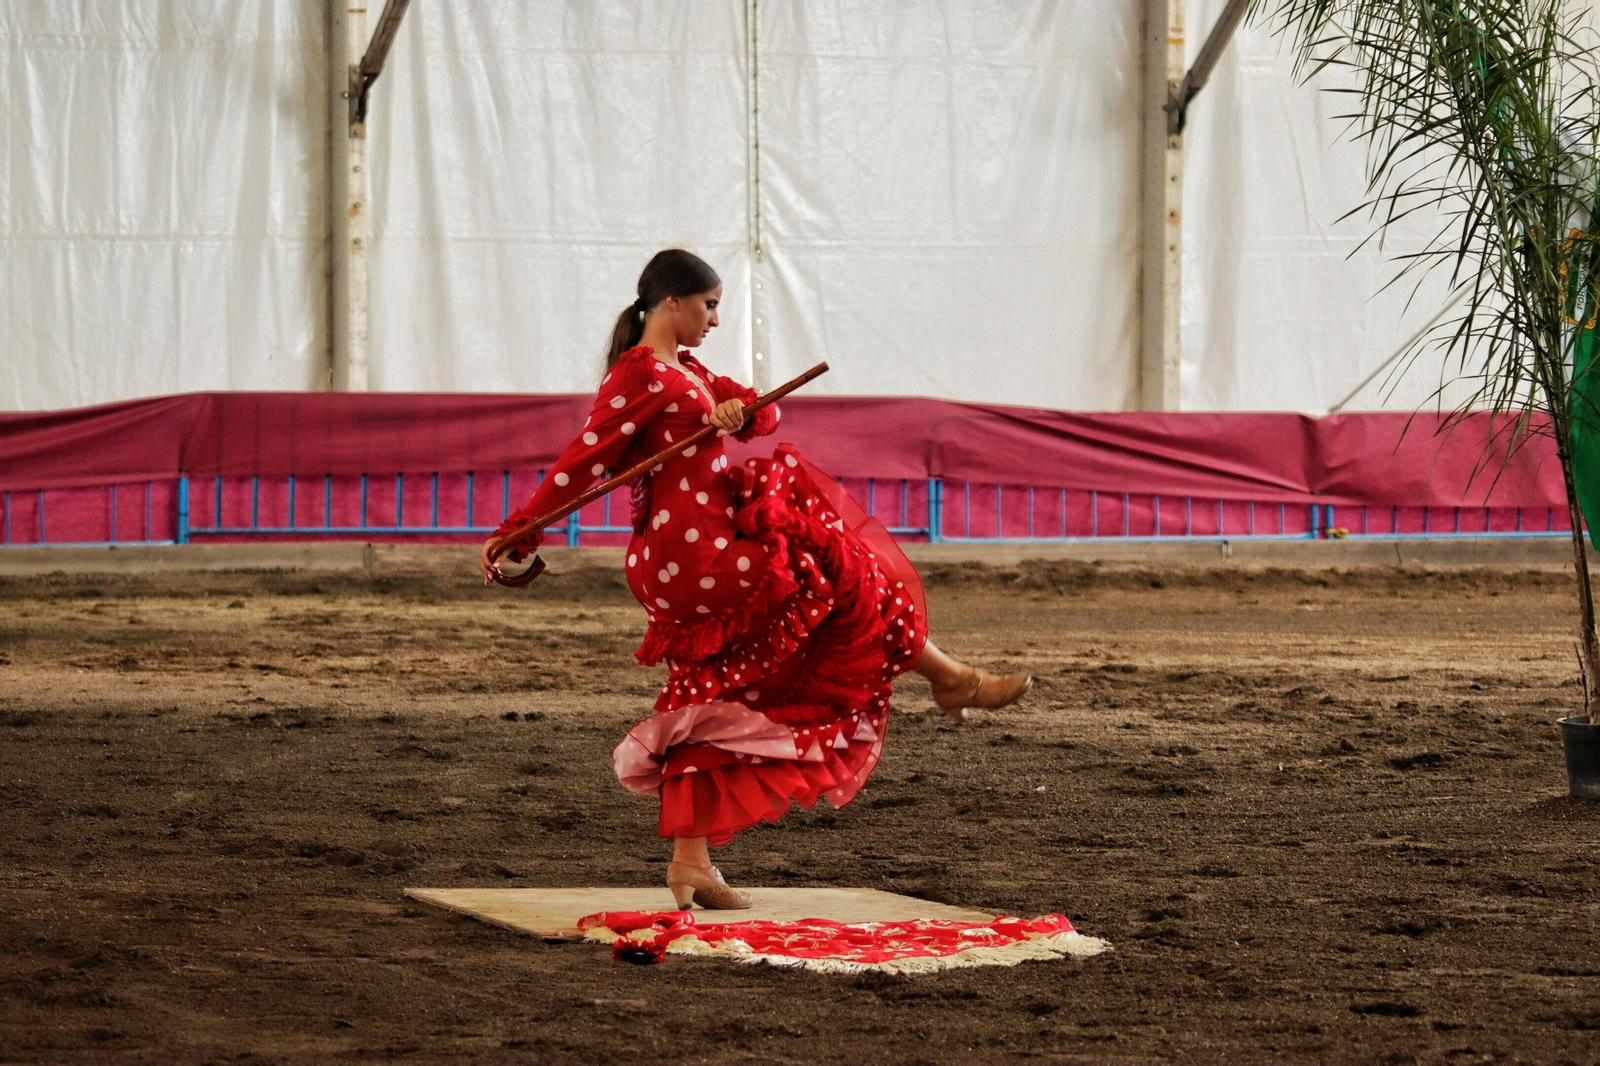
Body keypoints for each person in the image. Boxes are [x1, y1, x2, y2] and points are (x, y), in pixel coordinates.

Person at [480, 249, 1031, 910]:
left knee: (709, 691)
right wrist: (523, 528)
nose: (715, 318)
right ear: (671, 303)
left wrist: (739, 413)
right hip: (694, 554)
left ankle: (691, 862)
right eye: (709, 305)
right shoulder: (640, 373)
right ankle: (947, 677)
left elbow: (761, 412)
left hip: (695, 545)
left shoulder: (683, 368)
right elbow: (585, 458)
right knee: (841, 566)